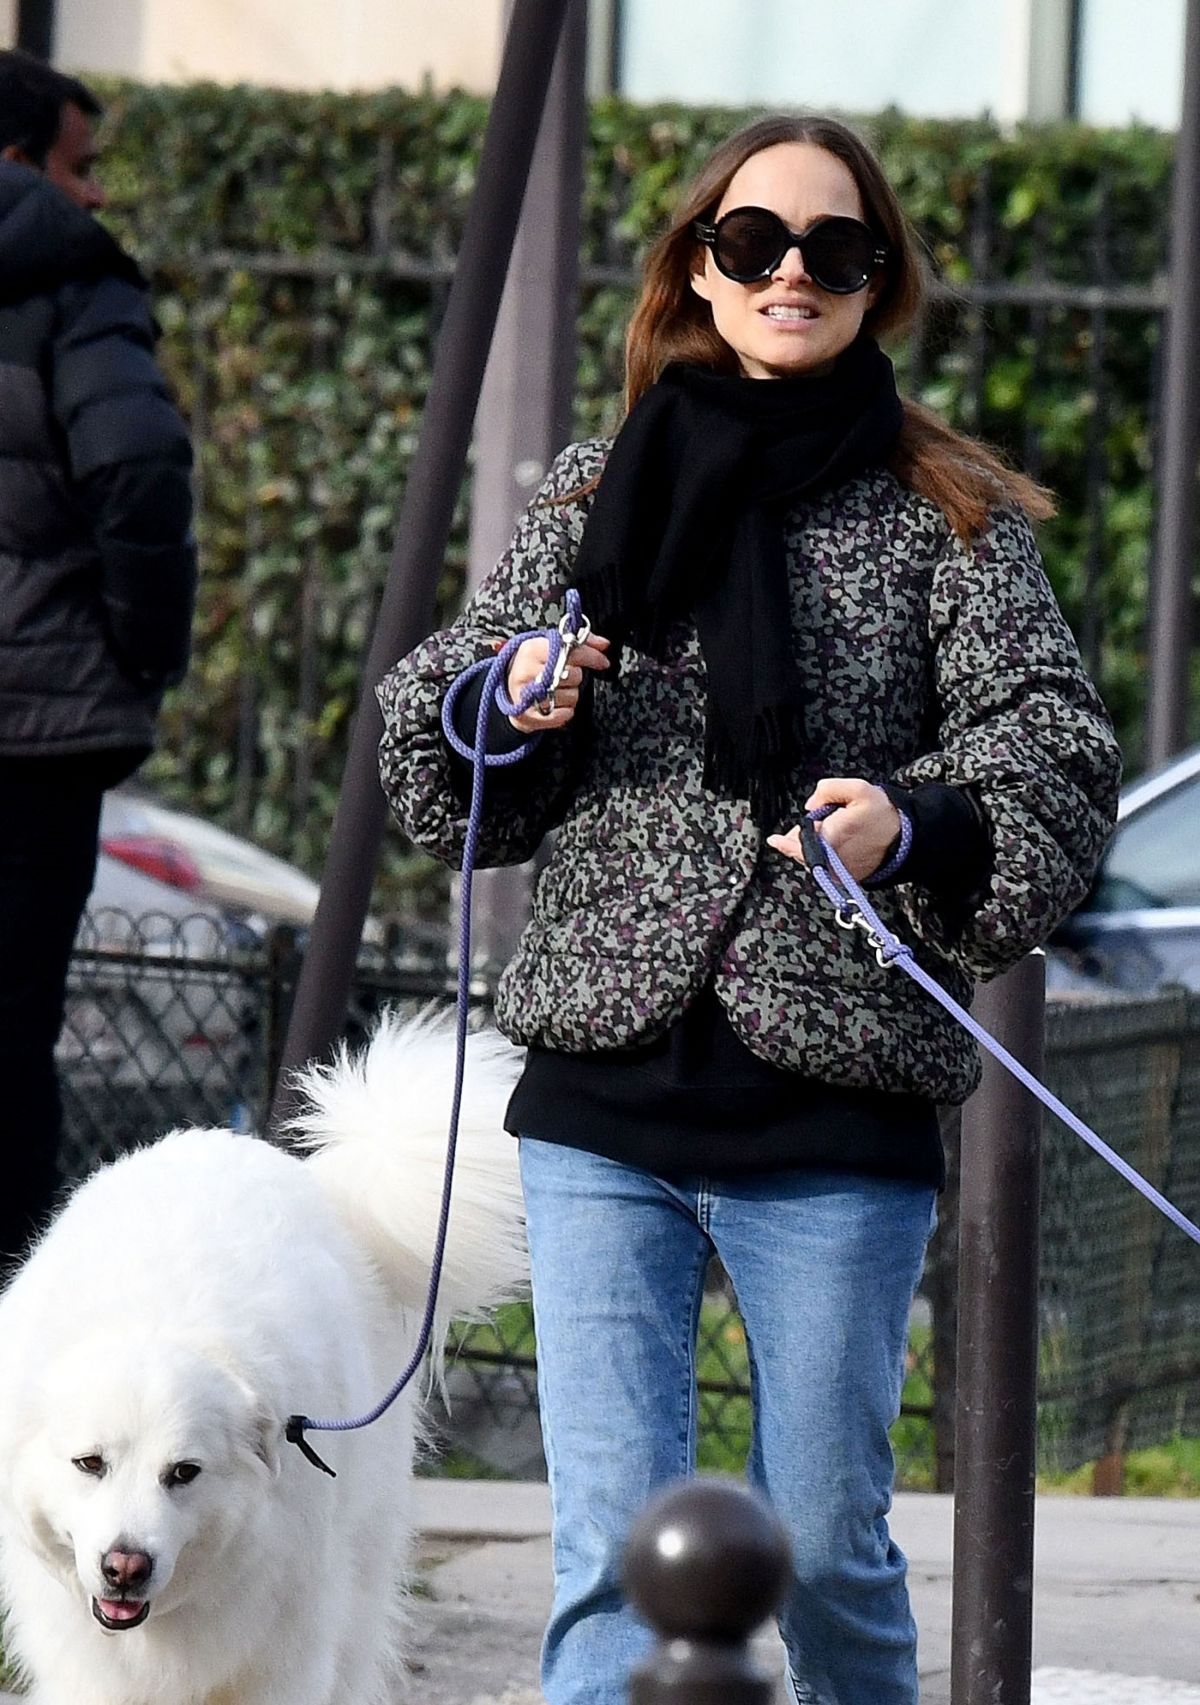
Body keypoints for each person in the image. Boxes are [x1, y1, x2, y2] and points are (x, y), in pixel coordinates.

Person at [377, 114, 1121, 1705]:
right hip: (604, 1098)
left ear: (878, 284)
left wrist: (911, 815)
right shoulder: (591, 488)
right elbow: (429, 717)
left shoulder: (952, 509)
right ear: (698, 271)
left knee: (831, 1542)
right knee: (614, 1552)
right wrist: (509, 688)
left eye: (835, 250)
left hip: (835, 1101)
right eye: (755, 242)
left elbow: (1053, 750)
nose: (793, 271)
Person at [0, 51, 197, 1270]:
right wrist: (138, 652)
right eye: (81, 167)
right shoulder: (73, 285)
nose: (98, 197)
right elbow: (136, 472)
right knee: (13, 1044)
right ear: (19, 162)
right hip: (34, 734)